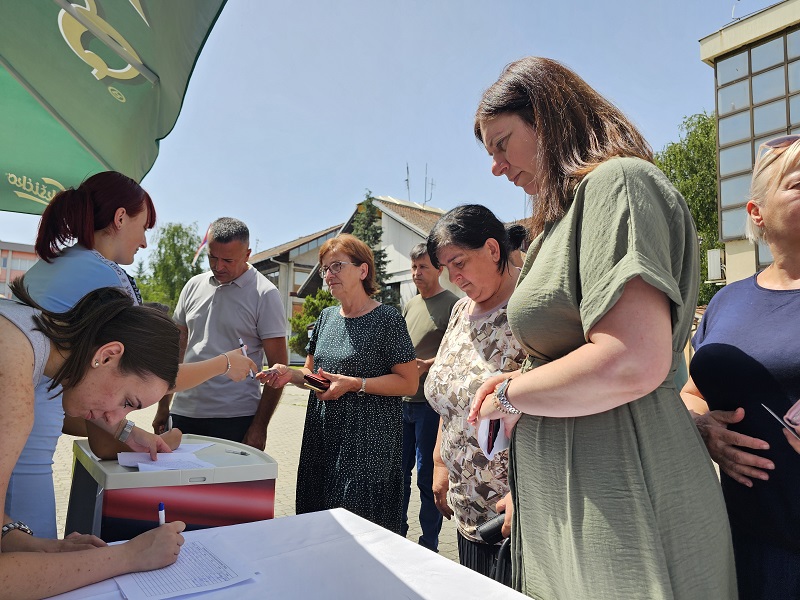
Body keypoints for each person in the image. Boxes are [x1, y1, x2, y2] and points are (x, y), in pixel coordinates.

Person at [468, 57, 736, 598]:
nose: (496, 166)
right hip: (586, 486)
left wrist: (511, 396)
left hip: (623, 480)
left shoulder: (618, 183)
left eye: (502, 142)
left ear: (547, 116)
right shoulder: (561, 219)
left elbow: (631, 360)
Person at [0, 282, 246, 598]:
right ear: (108, 354)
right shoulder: (13, 382)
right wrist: (128, 556)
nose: (118, 419)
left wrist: (39, 548)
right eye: (128, 402)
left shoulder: (23, 333)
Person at [6, 171, 177, 539]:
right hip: (28, 456)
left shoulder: (59, 263)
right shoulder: (107, 279)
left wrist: (129, 430)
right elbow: (144, 371)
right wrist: (225, 365)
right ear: (119, 218)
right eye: (143, 226)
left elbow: (102, 386)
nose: (145, 242)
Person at [682, 134, 800, 599]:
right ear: (757, 213)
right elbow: (690, 391)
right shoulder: (727, 302)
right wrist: (702, 428)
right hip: (743, 541)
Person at [262, 234, 417, 532]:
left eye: (336, 267)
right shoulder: (326, 317)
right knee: (322, 524)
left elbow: (408, 383)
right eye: (324, 270)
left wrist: (356, 384)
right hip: (323, 438)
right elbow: (313, 375)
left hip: (367, 445)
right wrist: (290, 374)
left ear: (362, 270)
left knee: (360, 531)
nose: (328, 276)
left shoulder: (387, 319)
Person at [423, 205, 526, 585]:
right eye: (446, 267)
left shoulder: (530, 307)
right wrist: (439, 463)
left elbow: (554, 407)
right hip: (466, 509)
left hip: (512, 515)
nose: (453, 277)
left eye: (459, 262)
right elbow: (450, 400)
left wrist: (524, 491)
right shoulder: (461, 311)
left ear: (493, 250)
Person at [154, 217, 288, 450]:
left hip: (235, 418)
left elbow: (279, 367)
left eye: (228, 260)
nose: (218, 266)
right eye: (212, 257)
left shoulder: (265, 294)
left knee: (225, 488)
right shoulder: (193, 286)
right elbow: (176, 349)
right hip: (183, 413)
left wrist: (259, 426)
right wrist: (163, 406)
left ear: (247, 254)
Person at [400, 242, 458, 552]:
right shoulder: (409, 305)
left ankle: (429, 544)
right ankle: (397, 532)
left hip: (429, 407)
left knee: (426, 479)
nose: (416, 273)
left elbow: (456, 351)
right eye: (413, 268)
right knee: (397, 472)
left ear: (439, 269)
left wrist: (427, 364)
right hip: (402, 402)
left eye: (423, 267)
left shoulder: (454, 304)